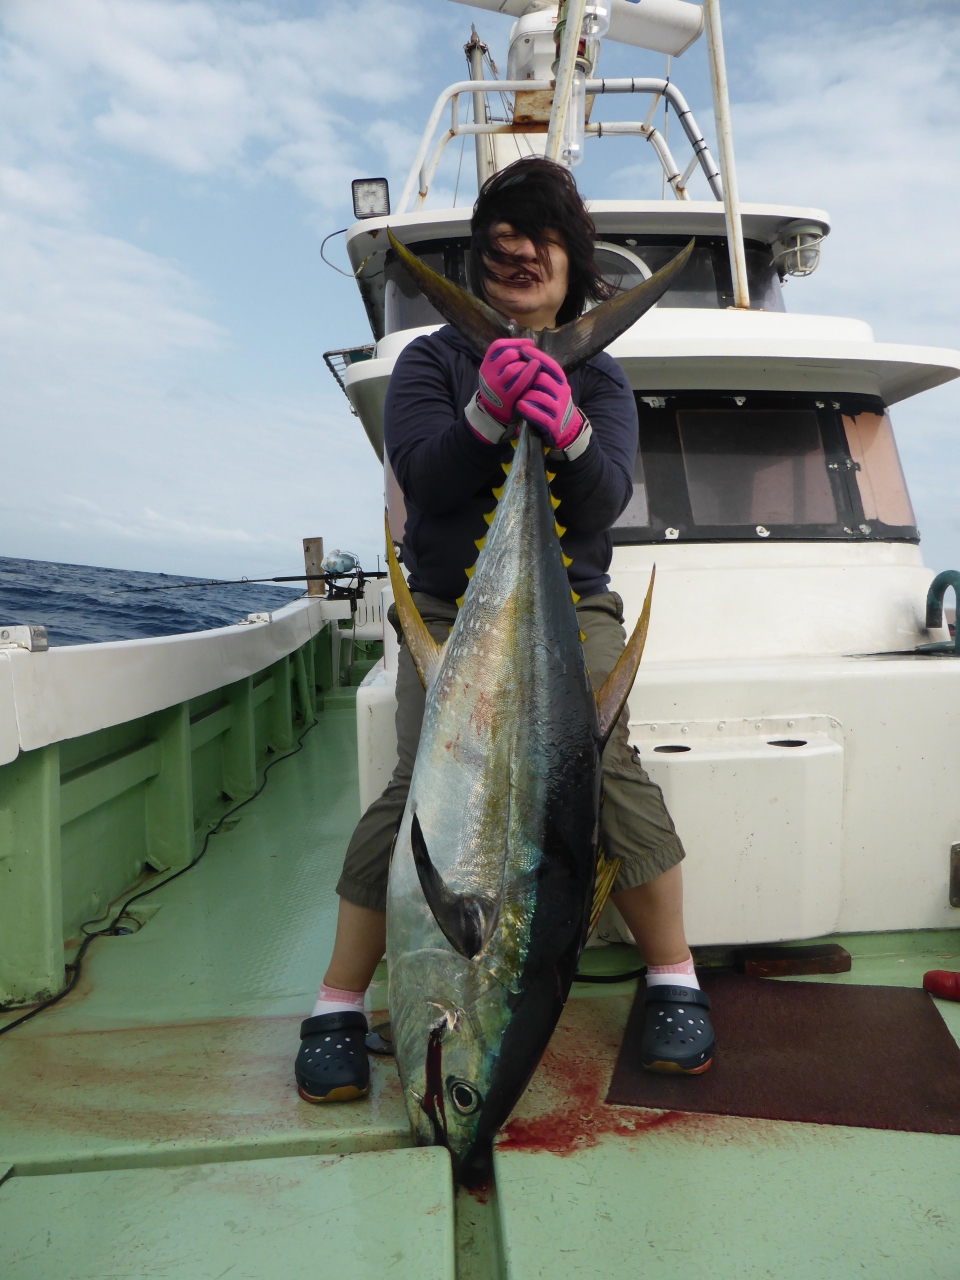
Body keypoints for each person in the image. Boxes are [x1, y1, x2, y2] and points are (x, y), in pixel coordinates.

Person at [295, 157, 715, 1104]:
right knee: (421, 784)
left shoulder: (600, 377)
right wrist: (488, 410)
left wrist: (562, 424)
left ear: (572, 263)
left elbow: (604, 496)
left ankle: (674, 978)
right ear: (480, 263)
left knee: (604, 766)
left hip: (570, 604)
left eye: (540, 242)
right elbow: (426, 475)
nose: (519, 256)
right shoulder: (427, 363)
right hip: (451, 607)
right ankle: (334, 1002)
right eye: (501, 246)